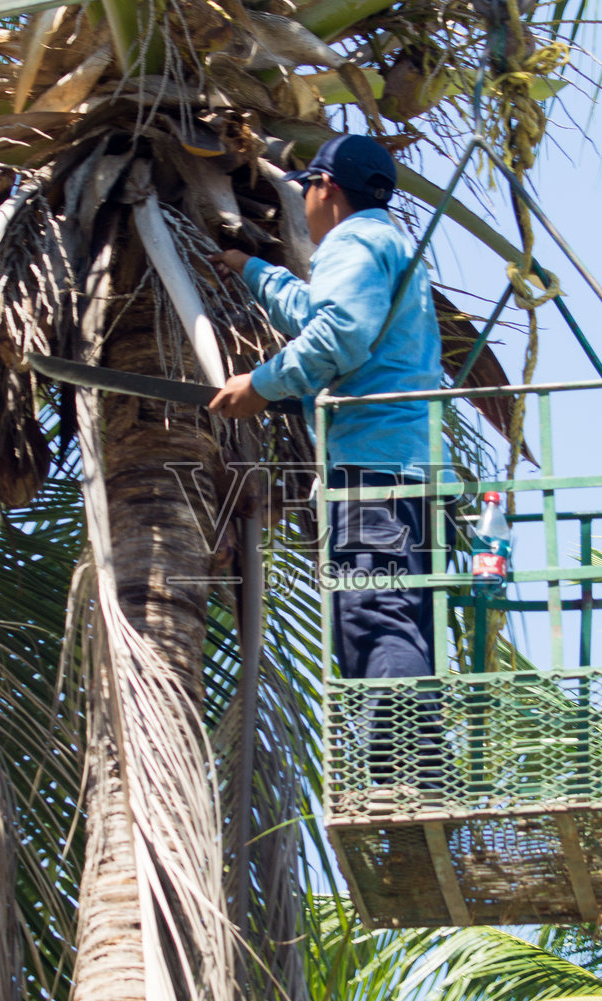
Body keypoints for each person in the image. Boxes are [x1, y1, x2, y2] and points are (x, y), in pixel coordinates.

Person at [208, 134, 445, 809]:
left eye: (306, 189)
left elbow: (337, 336)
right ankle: (417, 773)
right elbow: (328, 313)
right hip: (411, 469)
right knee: (401, 621)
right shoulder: (387, 246)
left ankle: (400, 780)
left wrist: (261, 383)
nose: (303, 204)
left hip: (371, 467)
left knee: (374, 618)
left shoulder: (350, 243)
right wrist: (254, 272)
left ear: (326, 190)